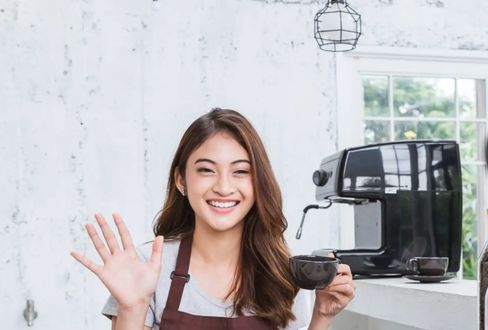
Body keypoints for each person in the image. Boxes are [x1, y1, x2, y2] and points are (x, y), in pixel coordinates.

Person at [70, 108, 356, 330]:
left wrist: (321, 318)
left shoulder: (280, 271)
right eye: (206, 170)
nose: (223, 186)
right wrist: (133, 308)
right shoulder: (147, 268)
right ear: (181, 180)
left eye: (241, 171)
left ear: (258, 183)